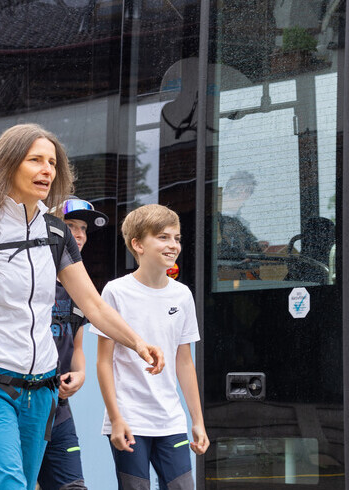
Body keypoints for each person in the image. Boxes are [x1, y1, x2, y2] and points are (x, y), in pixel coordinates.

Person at [0, 124, 164, 490]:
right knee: (9, 485)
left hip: (41, 393)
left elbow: (94, 306)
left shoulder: (57, 234)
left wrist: (137, 342)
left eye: (52, 162)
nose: (47, 170)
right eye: (35, 160)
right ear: (8, 166)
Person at [92, 204, 209, 490]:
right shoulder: (116, 291)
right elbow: (104, 362)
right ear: (138, 244)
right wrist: (115, 419)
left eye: (177, 238)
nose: (173, 245)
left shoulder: (182, 295)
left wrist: (197, 420)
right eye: (163, 237)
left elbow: (184, 362)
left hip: (170, 419)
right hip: (129, 419)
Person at [37, 196, 109, 490]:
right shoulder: (30, 278)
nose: (78, 235)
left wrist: (80, 375)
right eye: (70, 226)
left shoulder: (81, 289)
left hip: (59, 407)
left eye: (83, 229)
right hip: (19, 401)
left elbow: (77, 348)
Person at [216, 170, 267, 260]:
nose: (246, 195)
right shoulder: (214, 217)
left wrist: (258, 246)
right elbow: (218, 250)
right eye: (246, 191)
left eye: (249, 192)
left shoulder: (238, 222)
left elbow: (250, 243)